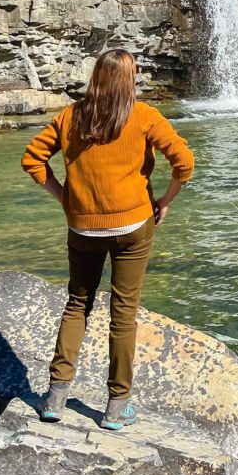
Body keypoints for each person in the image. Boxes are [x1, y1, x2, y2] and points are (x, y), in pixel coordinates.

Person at [21, 49, 194, 430]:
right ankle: (117, 406)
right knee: (123, 313)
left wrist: (65, 197)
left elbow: (32, 159)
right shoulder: (144, 115)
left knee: (76, 304)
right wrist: (165, 200)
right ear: (129, 79)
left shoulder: (71, 116)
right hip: (133, 225)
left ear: (96, 77)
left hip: (82, 228)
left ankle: (55, 397)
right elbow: (184, 163)